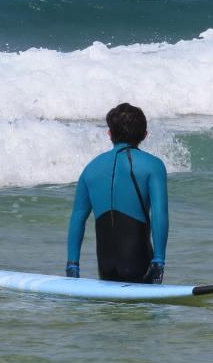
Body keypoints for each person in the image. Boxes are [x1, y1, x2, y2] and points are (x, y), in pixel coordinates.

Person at [65, 103, 168, 284]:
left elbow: (77, 219)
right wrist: (159, 260)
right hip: (140, 265)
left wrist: (72, 265)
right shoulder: (153, 165)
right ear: (145, 135)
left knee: (114, 311)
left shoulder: (90, 169)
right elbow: (160, 214)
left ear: (110, 134)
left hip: (105, 266)